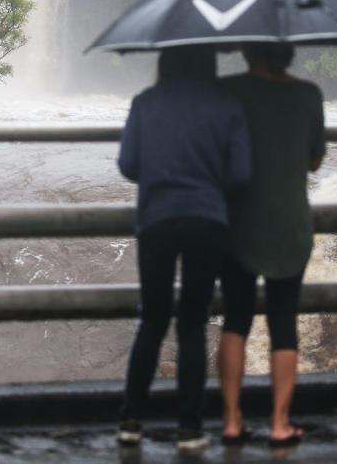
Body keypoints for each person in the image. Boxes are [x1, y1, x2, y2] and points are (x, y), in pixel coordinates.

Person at [117, 46, 251, 451]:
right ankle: (190, 428)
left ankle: (130, 421)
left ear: (164, 63)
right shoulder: (226, 105)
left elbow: (127, 164)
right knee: (193, 323)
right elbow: (242, 175)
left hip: (157, 218)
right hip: (208, 220)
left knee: (153, 319)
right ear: (209, 64)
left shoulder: (145, 102)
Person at [217, 43, 326, 448]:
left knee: (235, 320)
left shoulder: (225, 91)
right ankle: (280, 423)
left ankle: (231, 420)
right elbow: (315, 160)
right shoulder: (308, 94)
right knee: (284, 324)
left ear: (247, 51)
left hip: (237, 222)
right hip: (290, 225)